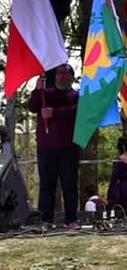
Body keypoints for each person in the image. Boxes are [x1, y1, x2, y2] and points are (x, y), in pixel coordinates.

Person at [27, 63, 81, 229]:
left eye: (65, 73)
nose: (62, 76)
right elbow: (33, 107)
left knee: (70, 184)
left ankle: (72, 219)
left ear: (72, 77)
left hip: (69, 147)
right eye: (59, 73)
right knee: (47, 185)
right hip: (46, 146)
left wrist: (55, 113)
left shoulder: (77, 95)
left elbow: (78, 111)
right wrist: (37, 89)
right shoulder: (46, 94)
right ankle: (46, 220)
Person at [107, 137, 127, 218]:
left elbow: (114, 177)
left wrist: (111, 193)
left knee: (122, 208)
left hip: (122, 188)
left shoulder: (118, 160)